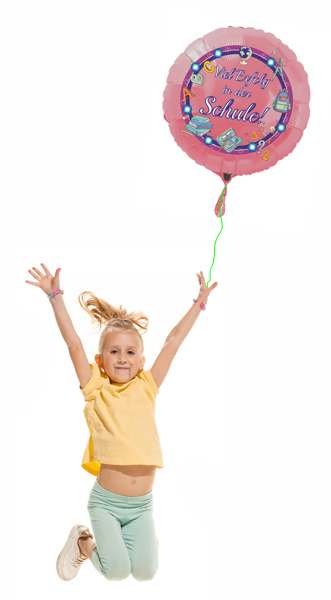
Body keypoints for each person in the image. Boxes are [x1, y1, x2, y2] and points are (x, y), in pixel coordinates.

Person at [25, 263, 218, 583]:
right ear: (101, 360)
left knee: (144, 573)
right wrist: (55, 297)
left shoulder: (148, 385)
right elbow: (74, 344)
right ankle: (83, 542)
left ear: (141, 361)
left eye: (130, 352)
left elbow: (172, 342)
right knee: (116, 572)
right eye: (114, 351)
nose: (123, 358)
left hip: (143, 506)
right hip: (106, 504)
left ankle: (140, 547)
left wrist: (199, 304)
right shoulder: (95, 387)